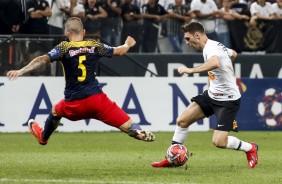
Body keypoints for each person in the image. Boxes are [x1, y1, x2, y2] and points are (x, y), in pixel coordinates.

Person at [6, 17, 155, 145]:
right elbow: (119, 51)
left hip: (74, 105)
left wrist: (21, 71)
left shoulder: (64, 47)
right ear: (83, 33)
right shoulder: (93, 45)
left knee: (55, 110)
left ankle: (43, 137)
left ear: (67, 34)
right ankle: (137, 131)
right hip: (97, 102)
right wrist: (127, 44)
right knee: (128, 124)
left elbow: (42, 60)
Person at [151, 21, 258, 169]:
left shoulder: (211, 48)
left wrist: (190, 70)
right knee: (182, 121)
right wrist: (226, 63)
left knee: (219, 142)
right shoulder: (217, 46)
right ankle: (171, 158)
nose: (187, 42)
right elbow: (233, 53)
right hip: (212, 95)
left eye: (188, 39)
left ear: (197, 35)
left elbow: (214, 63)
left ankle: (250, 148)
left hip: (228, 101)